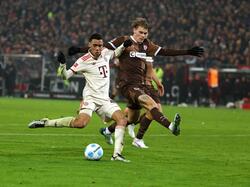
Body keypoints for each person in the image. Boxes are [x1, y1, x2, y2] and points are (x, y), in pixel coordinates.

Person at [68, 17, 204, 148]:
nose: (143, 35)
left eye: (145, 33)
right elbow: (100, 48)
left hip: (140, 86)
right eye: (140, 32)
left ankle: (108, 131)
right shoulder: (123, 40)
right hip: (127, 85)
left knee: (132, 119)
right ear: (134, 30)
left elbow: (165, 51)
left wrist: (187, 52)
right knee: (152, 104)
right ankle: (171, 126)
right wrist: (79, 49)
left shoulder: (147, 45)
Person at [28, 33, 133, 162]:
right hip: (90, 98)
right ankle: (46, 122)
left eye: (100, 45)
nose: (98, 48)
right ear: (89, 45)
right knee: (80, 124)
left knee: (122, 120)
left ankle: (116, 155)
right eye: (95, 45)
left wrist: (123, 46)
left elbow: (115, 53)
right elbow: (65, 76)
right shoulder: (83, 61)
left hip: (104, 99)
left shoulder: (105, 52)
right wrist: (62, 64)